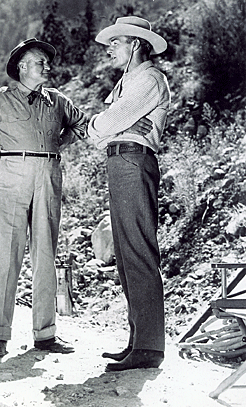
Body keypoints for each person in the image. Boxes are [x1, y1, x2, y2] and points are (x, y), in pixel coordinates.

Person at [0, 38, 87, 357]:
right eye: (41, 61)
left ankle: (45, 335)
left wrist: (58, 143)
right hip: (10, 173)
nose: (47, 66)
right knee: (5, 251)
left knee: (45, 254)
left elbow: (79, 125)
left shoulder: (58, 101)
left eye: (48, 62)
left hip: (48, 175)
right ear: (23, 66)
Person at [87, 16, 171, 371]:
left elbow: (103, 126)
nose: (110, 49)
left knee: (137, 250)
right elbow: (104, 130)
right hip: (122, 161)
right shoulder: (129, 82)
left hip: (134, 162)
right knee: (125, 253)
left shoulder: (150, 79)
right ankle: (139, 341)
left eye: (116, 42)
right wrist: (111, 124)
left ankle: (150, 346)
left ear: (135, 44)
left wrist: (106, 124)